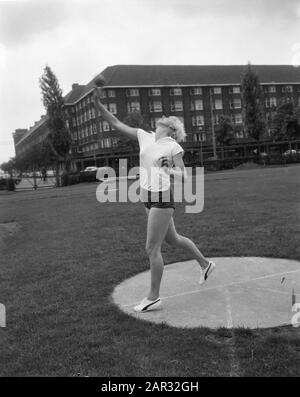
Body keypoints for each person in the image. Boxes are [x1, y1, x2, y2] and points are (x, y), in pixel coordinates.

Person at [93, 88, 216, 313]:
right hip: (147, 198)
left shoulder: (172, 146)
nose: (161, 120)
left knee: (152, 248)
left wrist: (168, 170)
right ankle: (206, 264)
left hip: (162, 197)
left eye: (166, 120)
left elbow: (185, 176)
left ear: (171, 128)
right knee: (174, 239)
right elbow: (116, 123)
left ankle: (153, 297)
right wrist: (98, 105)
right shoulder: (145, 136)